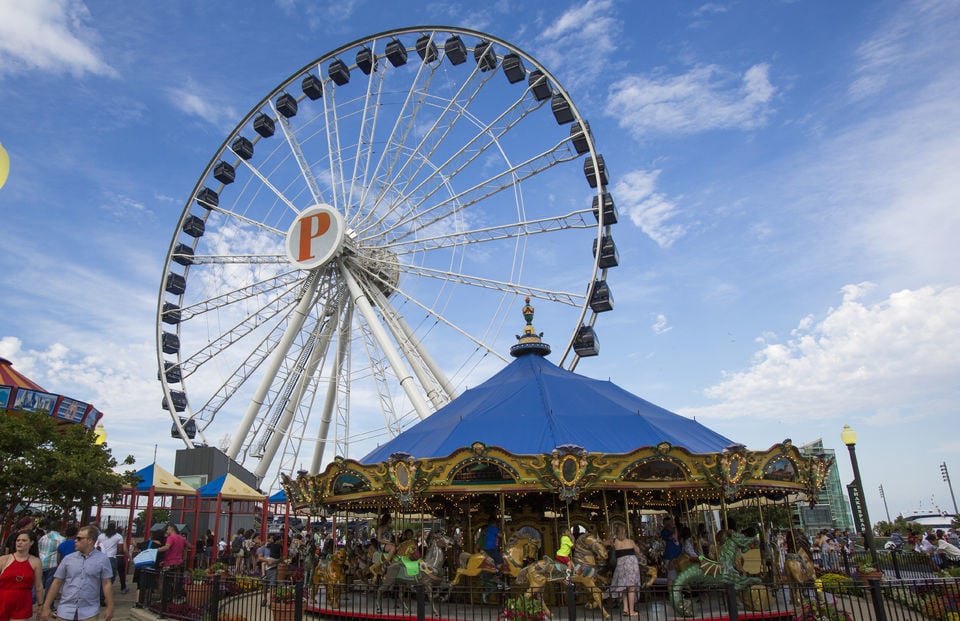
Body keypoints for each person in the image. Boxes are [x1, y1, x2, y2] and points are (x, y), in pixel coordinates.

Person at [40, 526, 113, 621]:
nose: (75, 541)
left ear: (90, 540)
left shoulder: (103, 560)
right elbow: (57, 582)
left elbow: (106, 583)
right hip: (65, 610)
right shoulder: (68, 559)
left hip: (89, 611)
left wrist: (110, 607)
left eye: (79, 539)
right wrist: (46, 606)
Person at [0, 529, 45, 621]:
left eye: (24, 540)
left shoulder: (36, 562)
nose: (20, 543)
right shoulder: (3, 559)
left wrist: (41, 606)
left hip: (22, 602)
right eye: (18, 540)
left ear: (31, 542)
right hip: (3, 600)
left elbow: (39, 586)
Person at [605, 524, 642, 616]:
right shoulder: (630, 541)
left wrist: (611, 536)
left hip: (621, 565)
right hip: (631, 565)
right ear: (625, 532)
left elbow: (603, 543)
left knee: (624, 588)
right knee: (631, 589)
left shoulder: (614, 542)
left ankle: (625, 609)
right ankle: (631, 611)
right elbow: (638, 551)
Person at [95, 523, 124, 593]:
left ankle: (98, 591)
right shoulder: (118, 536)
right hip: (111, 558)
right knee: (110, 577)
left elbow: (97, 546)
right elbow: (120, 550)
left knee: (100, 576)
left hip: (101, 557)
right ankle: (103, 593)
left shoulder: (101, 536)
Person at [38, 521, 65, 593]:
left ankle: (34, 599)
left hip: (41, 562)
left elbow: (39, 549)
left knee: (38, 585)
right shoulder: (62, 539)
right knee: (49, 587)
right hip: (53, 563)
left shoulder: (43, 538)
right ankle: (48, 603)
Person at [483, 517, 507, 589]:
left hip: (491, 548)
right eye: (496, 523)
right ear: (494, 523)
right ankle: (496, 576)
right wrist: (503, 531)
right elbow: (500, 535)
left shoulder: (488, 528)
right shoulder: (493, 528)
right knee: (500, 560)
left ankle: (499, 579)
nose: (497, 525)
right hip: (491, 549)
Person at [660, 516, 681, 583]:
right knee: (672, 576)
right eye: (670, 522)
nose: (672, 523)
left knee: (678, 575)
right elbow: (674, 537)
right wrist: (674, 529)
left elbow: (676, 538)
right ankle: (672, 592)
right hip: (670, 556)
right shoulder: (665, 532)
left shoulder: (673, 530)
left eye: (672, 522)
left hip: (677, 555)